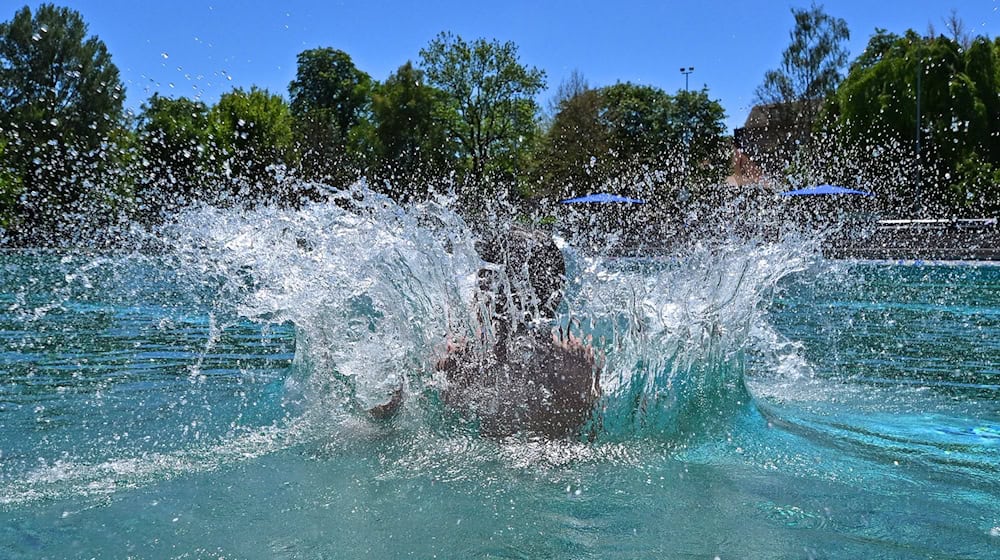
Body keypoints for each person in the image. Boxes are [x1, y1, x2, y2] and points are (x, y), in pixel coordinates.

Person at [368, 226, 602, 439]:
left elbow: (385, 418)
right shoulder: (579, 362)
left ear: (487, 290)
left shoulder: (459, 360)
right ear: (556, 293)